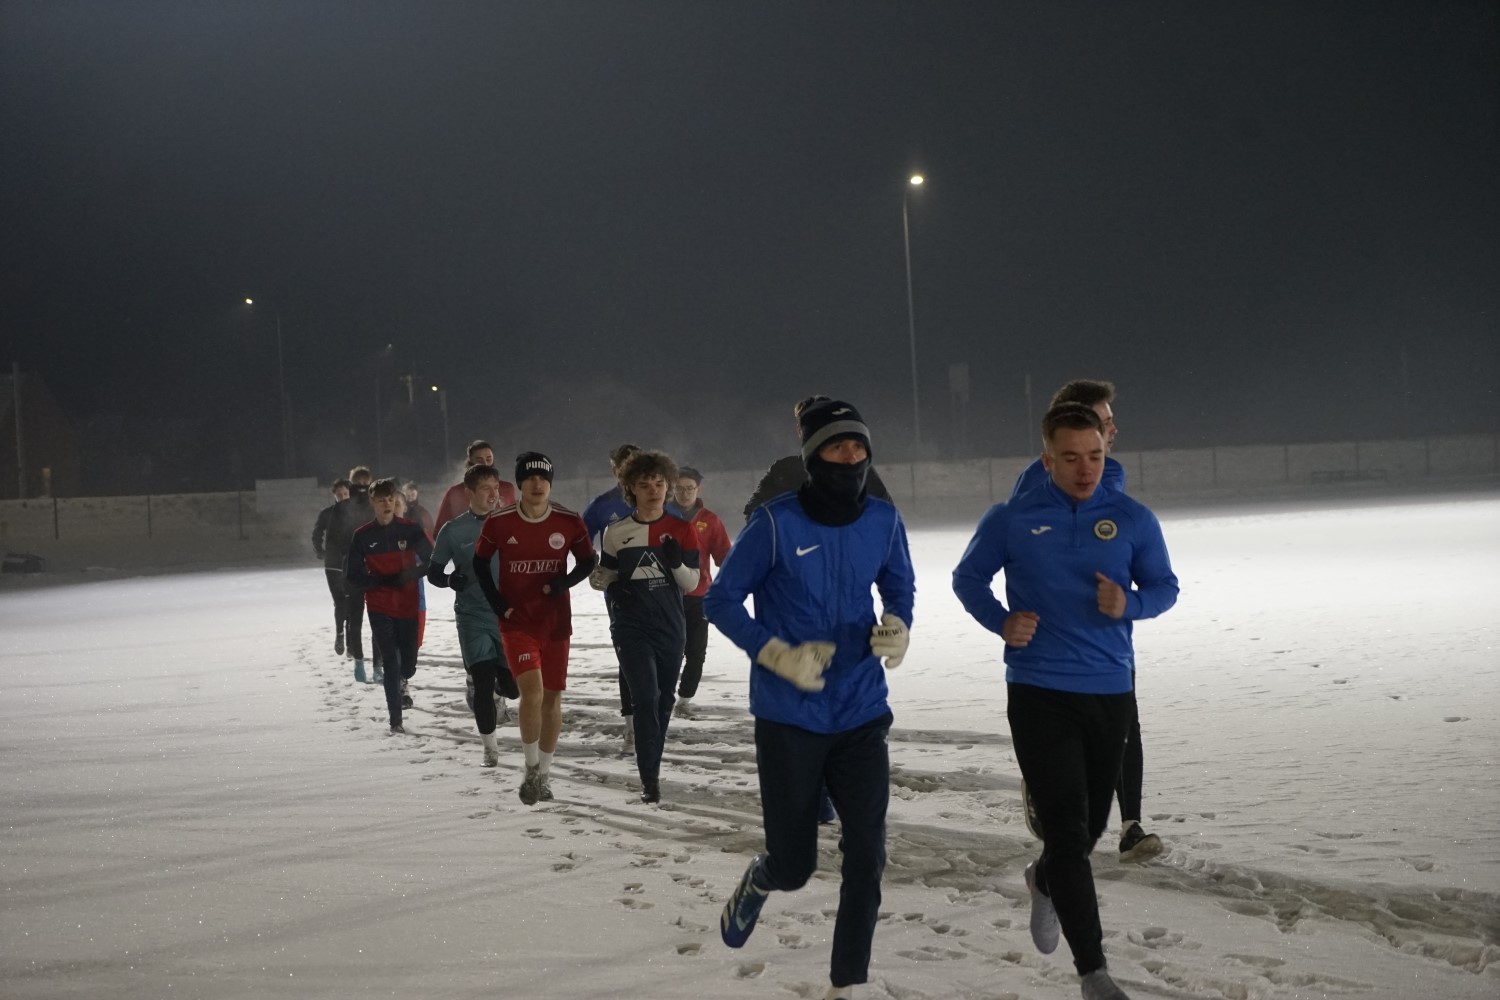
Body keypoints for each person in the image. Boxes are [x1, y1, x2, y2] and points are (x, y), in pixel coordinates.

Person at [952, 402, 1179, 1000]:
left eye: (1096, 456)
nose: (1086, 470)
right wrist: (1002, 623)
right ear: (1047, 457)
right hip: (1037, 691)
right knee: (1067, 824)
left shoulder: (1132, 518)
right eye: (1072, 458)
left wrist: (1128, 605)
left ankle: (1045, 879)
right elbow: (967, 578)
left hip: (1108, 689)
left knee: (1082, 837)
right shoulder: (1012, 518)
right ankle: (1094, 974)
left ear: (1108, 450)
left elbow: (1165, 587)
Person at [706, 399, 915, 1000]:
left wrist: (897, 625)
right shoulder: (773, 524)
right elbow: (720, 602)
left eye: (858, 448)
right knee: (796, 866)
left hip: (860, 710)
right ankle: (762, 877)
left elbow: (899, 582)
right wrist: (774, 654)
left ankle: (845, 986)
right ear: (812, 456)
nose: (850, 458)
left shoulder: (882, 519)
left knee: (867, 857)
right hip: (788, 717)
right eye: (836, 447)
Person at [1010, 379, 1160, 862]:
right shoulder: (1034, 485)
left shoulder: (1111, 475)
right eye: (1103, 418)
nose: (1113, 427)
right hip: (1048, 649)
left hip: (1107, 641)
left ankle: (1131, 825)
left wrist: (1127, 601)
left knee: (1125, 728)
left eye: (1110, 420)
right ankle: (1042, 786)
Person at [472, 452, 596, 804]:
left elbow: (588, 561)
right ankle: (529, 770)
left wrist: (564, 583)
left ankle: (544, 772)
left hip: (556, 622)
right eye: (529, 478)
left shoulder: (569, 521)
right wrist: (499, 605)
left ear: (551, 483)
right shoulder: (499, 522)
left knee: (553, 697)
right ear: (521, 484)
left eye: (543, 478)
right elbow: (480, 564)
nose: (537, 484)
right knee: (533, 692)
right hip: (517, 623)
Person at [590, 449, 702, 804]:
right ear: (630, 488)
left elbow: (692, 583)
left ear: (667, 487)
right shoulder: (615, 532)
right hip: (630, 626)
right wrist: (602, 579)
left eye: (659, 483)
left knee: (664, 700)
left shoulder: (682, 530)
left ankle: (651, 759)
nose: (654, 489)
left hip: (671, 627)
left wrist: (675, 565)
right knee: (645, 698)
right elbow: (604, 576)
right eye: (645, 484)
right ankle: (649, 778)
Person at [428, 464, 521, 766]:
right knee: (481, 681)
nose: (494, 494)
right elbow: (434, 573)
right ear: (469, 492)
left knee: (512, 688)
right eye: (486, 489)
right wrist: (450, 580)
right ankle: (490, 749)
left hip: (507, 616)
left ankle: (499, 685)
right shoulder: (453, 531)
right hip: (472, 616)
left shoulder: (512, 523)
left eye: (496, 488)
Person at [344, 478, 434, 734]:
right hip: (380, 607)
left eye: (390, 499)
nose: (387, 504)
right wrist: (377, 580)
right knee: (391, 665)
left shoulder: (411, 530)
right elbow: (352, 574)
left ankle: (406, 676)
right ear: (372, 502)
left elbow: (430, 561)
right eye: (381, 499)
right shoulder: (362, 536)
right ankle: (395, 719)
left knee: (408, 665)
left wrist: (408, 575)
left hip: (407, 606)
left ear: (396, 500)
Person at [581, 442, 643, 752]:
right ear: (615, 470)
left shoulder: (657, 497)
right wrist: (594, 564)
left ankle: (652, 718)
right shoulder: (603, 505)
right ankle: (632, 726)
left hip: (657, 590)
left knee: (661, 654)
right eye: (623, 466)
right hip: (619, 591)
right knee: (629, 655)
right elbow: (579, 539)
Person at [742, 395, 892, 522]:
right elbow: (754, 514)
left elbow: (886, 516)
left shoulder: (858, 467)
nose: (851, 457)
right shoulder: (787, 470)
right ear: (800, 431)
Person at [667, 466, 732, 718]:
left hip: (699, 596)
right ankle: (664, 694)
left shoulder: (710, 520)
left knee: (696, 652)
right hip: (666, 596)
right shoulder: (662, 517)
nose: (684, 494)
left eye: (689, 489)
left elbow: (724, 556)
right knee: (669, 650)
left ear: (698, 489)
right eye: (680, 489)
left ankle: (684, 700)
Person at [326, 466, 376, 679]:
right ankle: (358, 661)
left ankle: (376, 665)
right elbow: (335, 538)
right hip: (355, 567)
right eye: (359, 483)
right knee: (357, 617)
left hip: (370, 566)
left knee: (374, 618)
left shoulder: (374, 502)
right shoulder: (344, 508)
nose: (363, 487)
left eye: (366, 483)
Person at [434, 440, 515, 535]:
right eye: (479, 460)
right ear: (470, 462)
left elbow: (516, 524)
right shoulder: (455, 492)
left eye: (489, 459)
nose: (485, 464)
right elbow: (439, 531)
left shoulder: (507, 489)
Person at [311, 477, 352, 654]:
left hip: (352, 562)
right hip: (333, 564)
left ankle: (351, 639)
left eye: (345, 494)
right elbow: (317, 533)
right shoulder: (327, 513)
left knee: (352, 602)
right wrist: (320, 551)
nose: (343, 497)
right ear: (334, 495)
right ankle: (340, 633)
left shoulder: (357, 513)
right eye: (339, 494)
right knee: (340, 602)